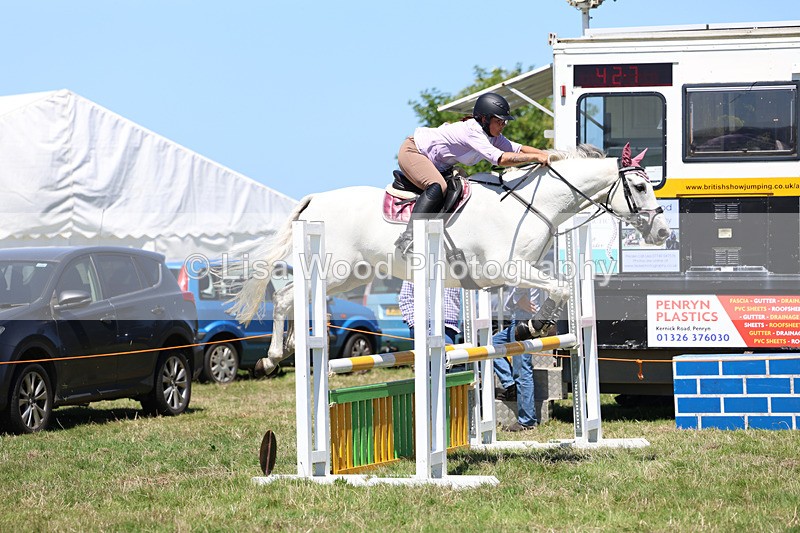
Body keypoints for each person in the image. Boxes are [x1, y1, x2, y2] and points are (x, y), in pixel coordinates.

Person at [394, 92, 551, 258]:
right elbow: (500, 159)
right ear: (484, 119)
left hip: (438, 163)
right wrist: (535, 158)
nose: (503, 125)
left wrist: (548, 156)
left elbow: (518, 149)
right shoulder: (472, 131)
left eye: (504, 121)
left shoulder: (492, 135)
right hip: (414, 151)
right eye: (499, 121)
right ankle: (409, 238)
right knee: (438, 186)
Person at [492, 287, 541, 432]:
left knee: (522, 370)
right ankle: (511, 385)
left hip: (523, 315)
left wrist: (518, 297)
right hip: (521, 315)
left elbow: (522, 280)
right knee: (492, 345)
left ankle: (527, 421)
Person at [399, 280, 461, 346]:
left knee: (446, 351)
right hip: (422, 325)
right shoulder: (413, 273)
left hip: (448, 326)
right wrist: (415, 324)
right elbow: (405, 298)